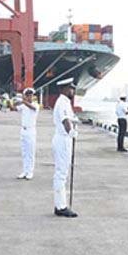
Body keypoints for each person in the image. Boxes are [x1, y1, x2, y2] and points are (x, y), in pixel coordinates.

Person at [52, 78, 78, 218]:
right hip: (62, 139)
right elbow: (65, 120)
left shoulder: (65, 102)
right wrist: (71, 131)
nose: (72, 91)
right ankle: (61, 207)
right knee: (61, 174)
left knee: (63, 172)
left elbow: (69, 118)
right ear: (64, 89)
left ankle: (59, 204)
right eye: (70, 88)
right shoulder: (62, 102)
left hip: (64, 139)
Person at [14, 87, 38, 179]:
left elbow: (32, 107)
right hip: (23, 130)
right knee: (24, 152)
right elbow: (14, 108)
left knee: (30, 152)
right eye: (28, 96)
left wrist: (23, 101)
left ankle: (30, 172)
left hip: (31, 131)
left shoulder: (35, 105)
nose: (29, 97)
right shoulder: (23, 105)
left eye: (31, 95)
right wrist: (11, 102)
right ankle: (25, 171)